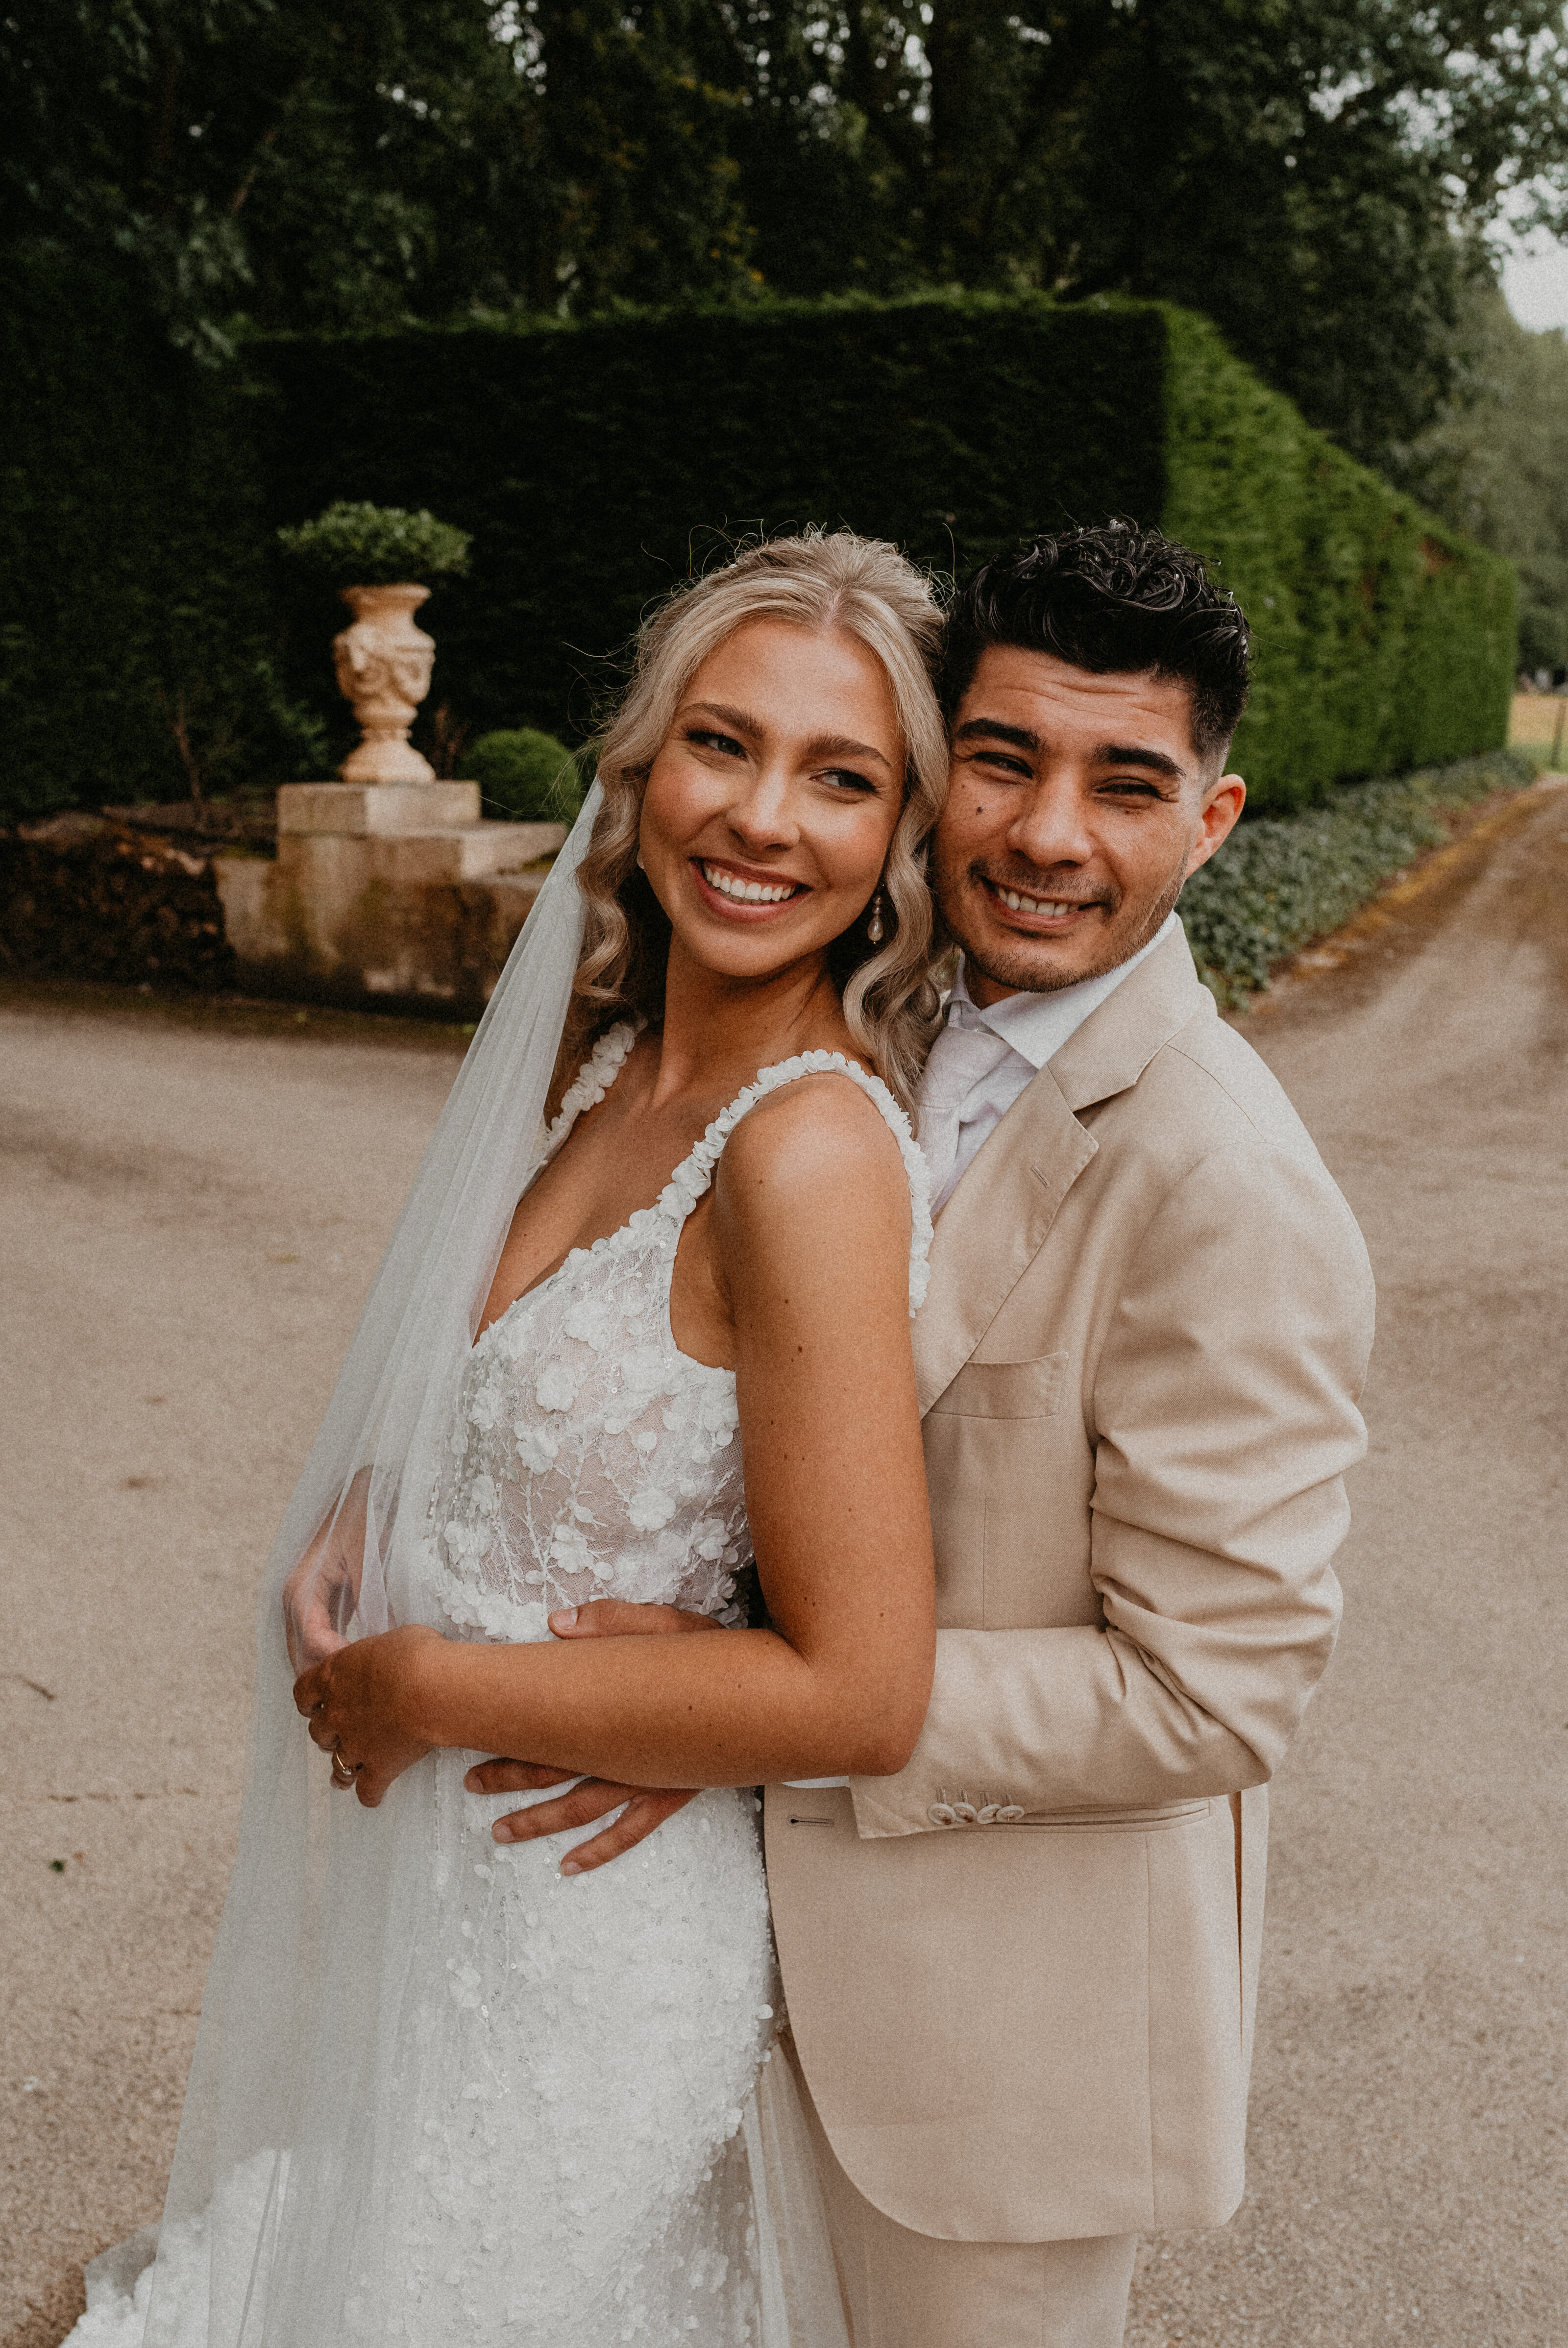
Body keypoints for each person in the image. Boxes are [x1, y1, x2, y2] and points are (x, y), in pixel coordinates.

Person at [483, 523, 1377, 2347]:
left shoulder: (1230, 1183)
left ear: (1209, 826)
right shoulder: (853, 1016)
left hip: (988, 2067)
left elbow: (1219, 1693)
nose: (1049, 835)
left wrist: (760, 1703)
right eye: (1003, 761)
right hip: (671, 1979)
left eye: (1126, 785)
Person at [70, 531, 953, 2348]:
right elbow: (546, 1397)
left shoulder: (805, 1155)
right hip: (450, 1917)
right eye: (724, 744)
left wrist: (430, 1688)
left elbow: (859, 1691)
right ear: (638, 772)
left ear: (896, 850)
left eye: (840, 777)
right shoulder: (618, 1064)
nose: (764, 816)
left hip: (593, 1963)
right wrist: (389, 1494)